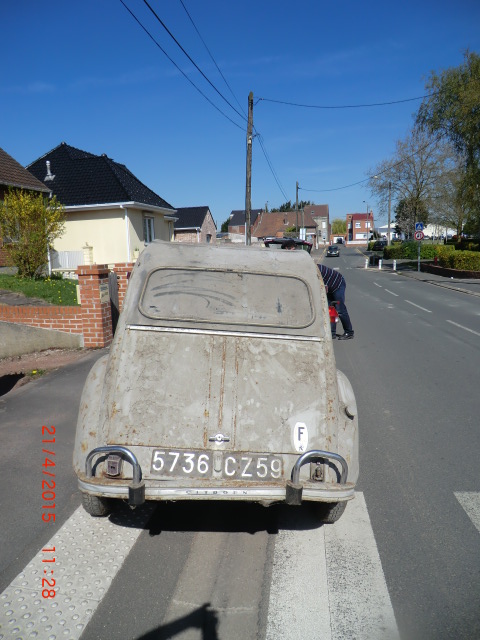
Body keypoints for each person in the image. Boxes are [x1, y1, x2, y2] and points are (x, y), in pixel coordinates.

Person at [317, 263, 354, 340]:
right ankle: (332, 332)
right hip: (329, 287)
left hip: (338, 284)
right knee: (330, 310)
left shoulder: (316, 271)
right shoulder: (313, 269)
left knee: (340, 310)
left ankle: (349, 332)